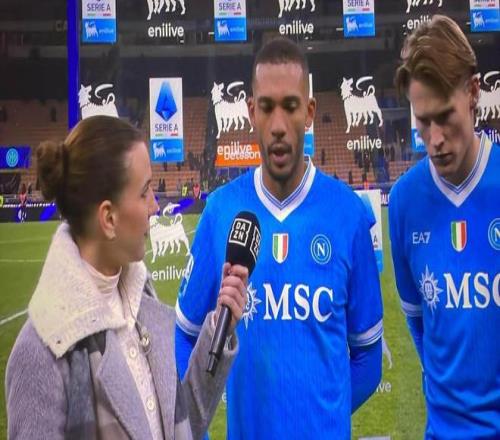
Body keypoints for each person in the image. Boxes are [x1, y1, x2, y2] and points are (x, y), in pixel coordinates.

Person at [175, 38, 383, 439]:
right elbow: (184, 335)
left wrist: (319, 420)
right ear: (251, 111)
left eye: (290, 106)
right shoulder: (221, 211)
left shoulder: (348, 214)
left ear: (309, 112)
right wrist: (195, 425)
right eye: (267, 107)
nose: (278, 125)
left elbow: (368, 358)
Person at [6, 115, 248, 440]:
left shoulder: (144, 309)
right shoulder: (40, 353)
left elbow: (180, 426)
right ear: (109, 218)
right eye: (145, 191)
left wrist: (220, 325)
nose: (155, 206)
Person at [390, 15, 500, 439]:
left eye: (444, 117)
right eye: (423, 121)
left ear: (473, 92)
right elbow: (419, 325)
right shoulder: (405, 202)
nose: (434, 139)